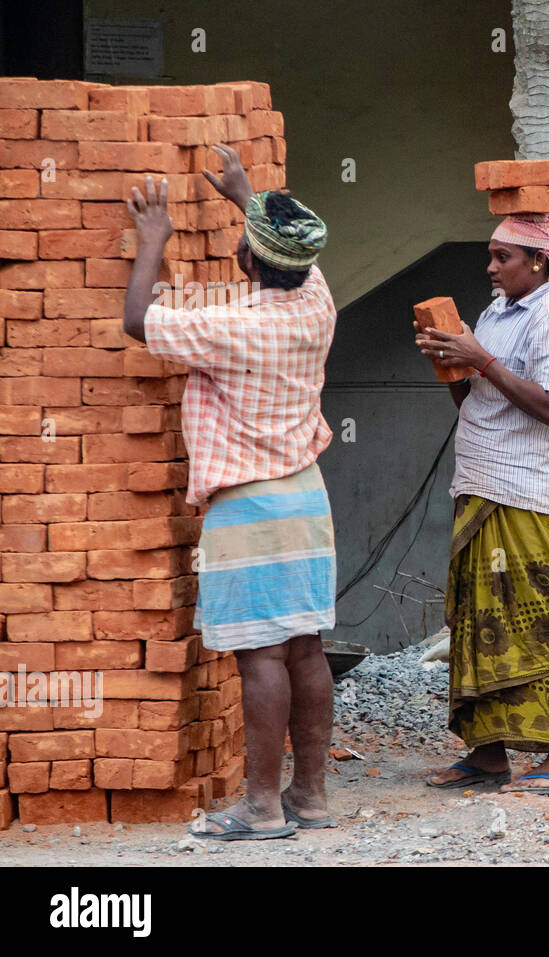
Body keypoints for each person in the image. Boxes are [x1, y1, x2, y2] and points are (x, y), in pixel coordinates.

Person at [123, 144, 339, 839]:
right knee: (305, 649)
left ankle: (261, 807)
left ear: (246, 262)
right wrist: (247, 196)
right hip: (307, 498)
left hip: (249, 507)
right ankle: (310, 797)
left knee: (261, 658)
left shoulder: (231, 327)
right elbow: (293, 257)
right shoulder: (316, 305)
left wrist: (153, 241)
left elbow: (138, 322)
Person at [416, 212, 549, 794]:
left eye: (502, 258)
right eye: (490, 256)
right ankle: (488, 753)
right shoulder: (494, 313)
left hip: (526, 487)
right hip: (480, 479)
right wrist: (450, 365)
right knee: (476, 618)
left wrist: (481, 358)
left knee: (535, 615)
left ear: (537, 262)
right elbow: (475, 404)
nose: (490, 267)